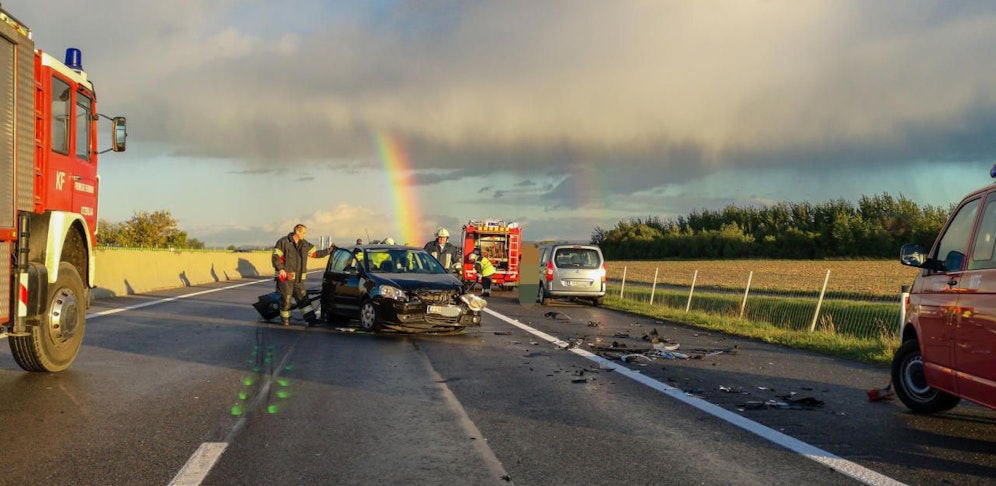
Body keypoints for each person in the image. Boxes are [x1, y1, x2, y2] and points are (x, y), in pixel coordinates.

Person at [272, 224, 335, 326]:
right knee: (286, 300)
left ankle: (311, 320)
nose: (305, 235)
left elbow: (315, 254)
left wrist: (329, 251)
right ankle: (285, 320)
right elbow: (275, 257)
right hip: (285, 279)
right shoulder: (283, 242)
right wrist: (281, 269)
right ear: (297, 232)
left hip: (298, 280)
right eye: (304, 232)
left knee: (304, 300)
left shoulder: (305, 244)